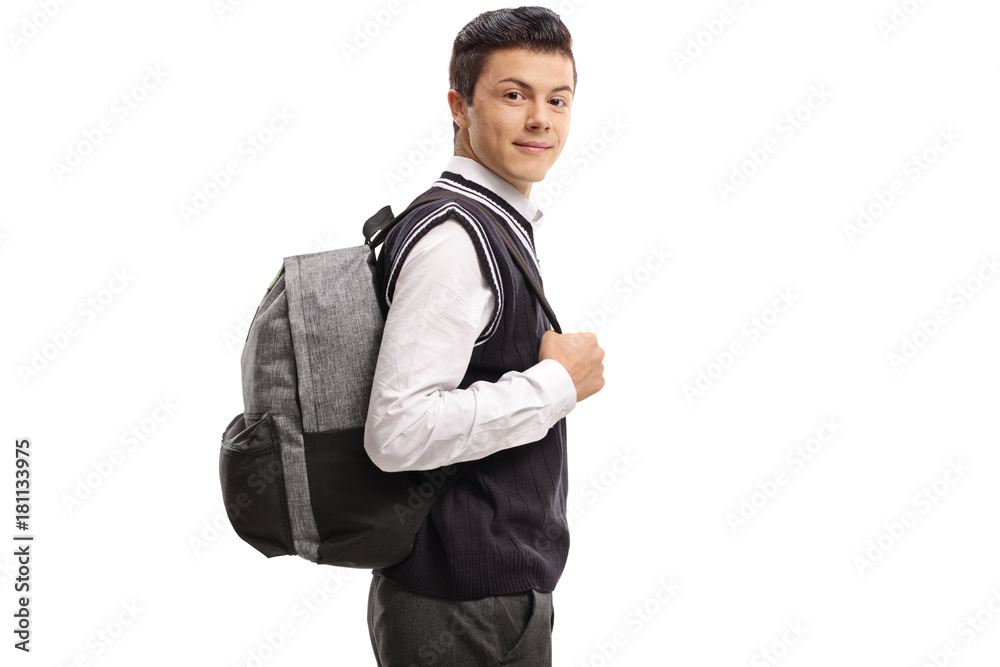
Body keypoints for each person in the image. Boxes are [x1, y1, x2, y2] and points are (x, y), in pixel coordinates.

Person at [364, 7, 605, 665]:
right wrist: (558, 383)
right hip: (458, 608)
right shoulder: (455, 239)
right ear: (459, 105)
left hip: (486, 596)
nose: (541, 119)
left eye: (558, 99)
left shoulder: (491, 220)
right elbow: (398, 431)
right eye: (513, 94)